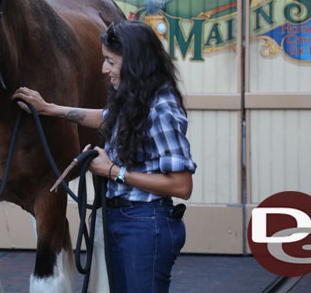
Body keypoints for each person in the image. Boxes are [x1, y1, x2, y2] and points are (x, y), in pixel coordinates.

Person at [13, 21, 197, 293]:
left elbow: (182, 186)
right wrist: (49, 109)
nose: (103, 69)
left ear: (135, 62)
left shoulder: (162, 108)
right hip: (122, 219)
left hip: (146, 224)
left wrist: (113, 171)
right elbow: (103, 117)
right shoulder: (135, 98)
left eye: (110, 61)